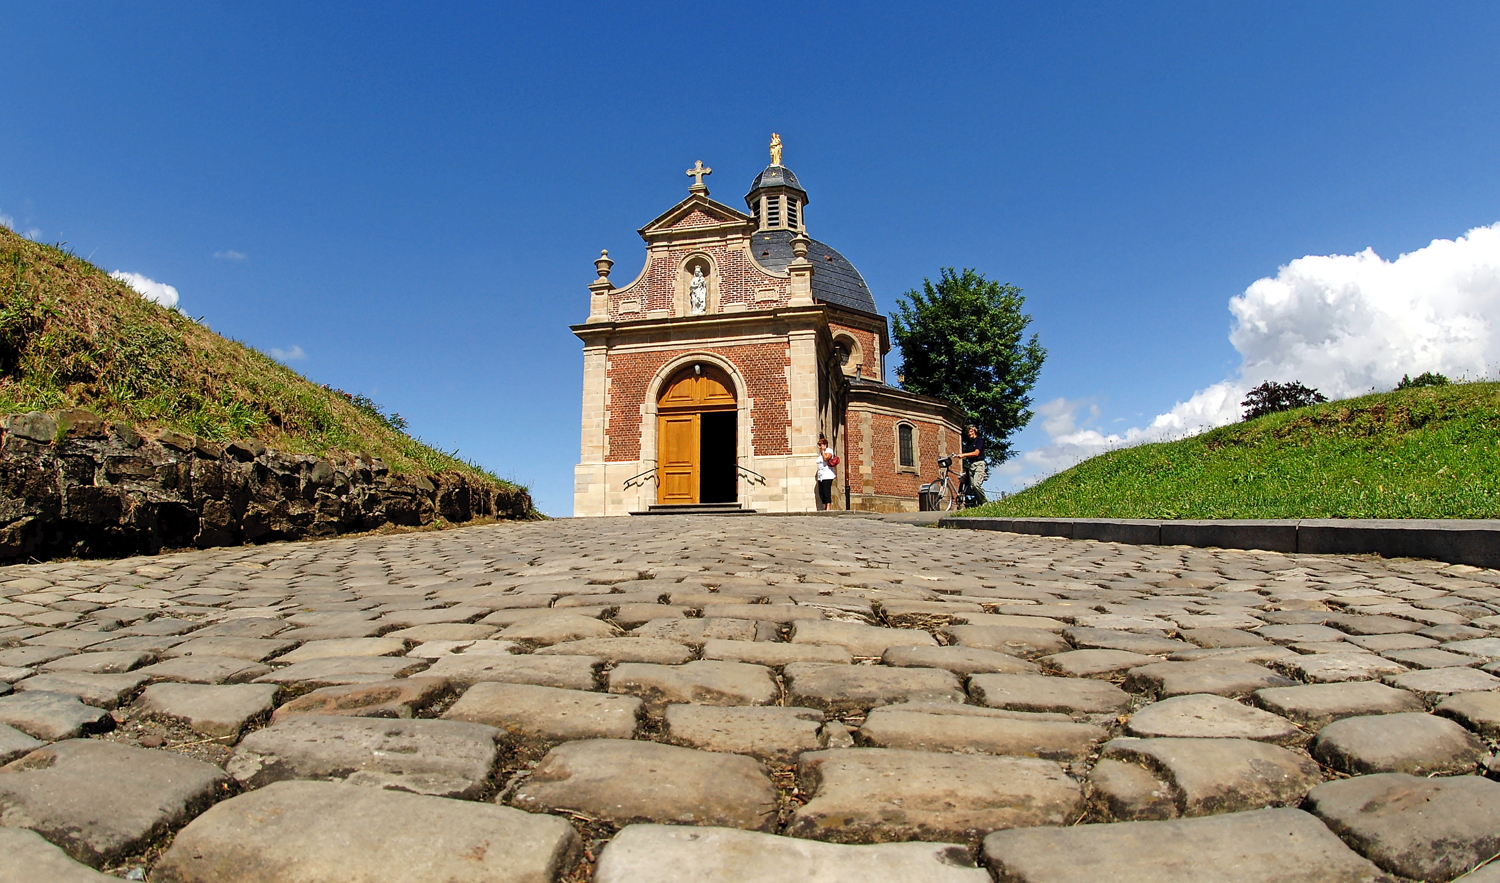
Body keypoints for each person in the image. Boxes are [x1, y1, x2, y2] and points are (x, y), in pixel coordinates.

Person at [957, 424, 987, 506]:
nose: (969, 433)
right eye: (968, 432)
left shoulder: (979, 440)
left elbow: (976, 453)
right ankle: (979, 503)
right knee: (972, 486)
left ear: (974, 431)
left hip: (979, 464)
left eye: (971, 431)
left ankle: (985, 502)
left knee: (976, 484)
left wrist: (964, 455)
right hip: (971, 465)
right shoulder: (969, 444)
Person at [815, 434, 836, 510]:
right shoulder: (820, 454)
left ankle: (828, 507)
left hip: (827, 475)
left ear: (825, 445)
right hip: (821, 476)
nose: (820, 447)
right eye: (819, 445)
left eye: (821, 445)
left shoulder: (829, 451)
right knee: (821, 492)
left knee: (827, 491)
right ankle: (825, 505)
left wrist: (823, 451)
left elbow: (826, 458)